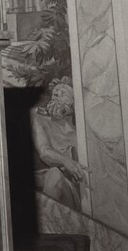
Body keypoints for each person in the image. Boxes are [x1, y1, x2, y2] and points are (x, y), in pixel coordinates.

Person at [31, 78, 90, 210]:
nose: (55, 95)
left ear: (73, 101)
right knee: (54, 174)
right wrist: (66, 161)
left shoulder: (79, 130)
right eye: (54, 93)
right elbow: (44, 151)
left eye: (62, 93)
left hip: (81, 191)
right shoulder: (41, 119)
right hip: (59, 182)